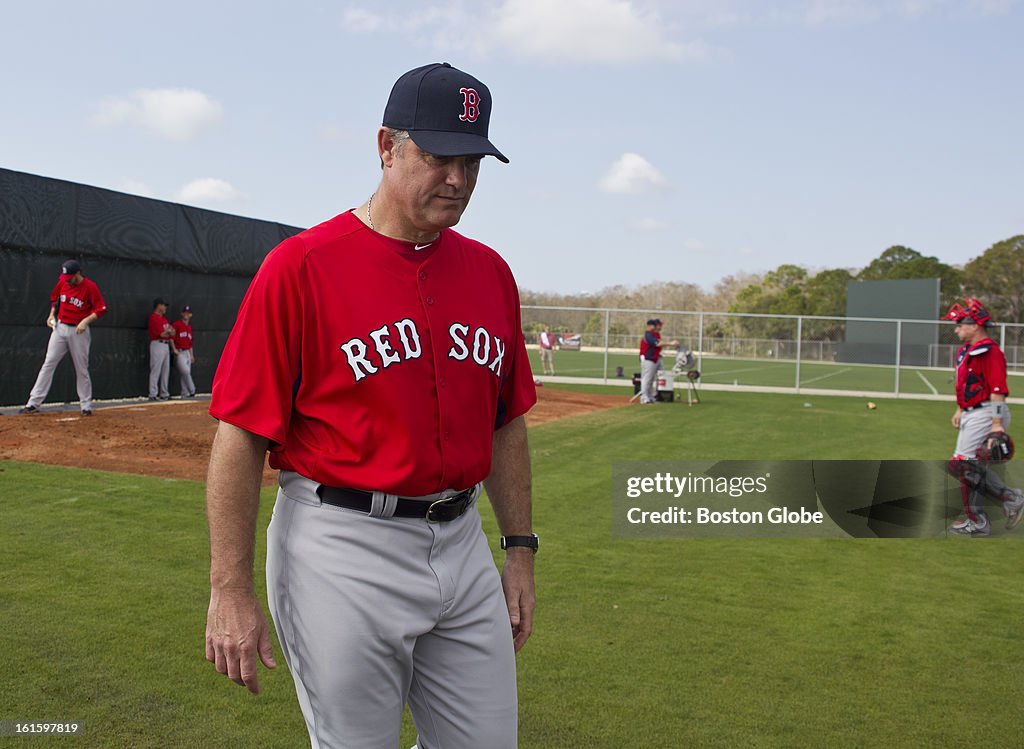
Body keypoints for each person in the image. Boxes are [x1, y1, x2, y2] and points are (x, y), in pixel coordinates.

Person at [204, 62, 538, 749]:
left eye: (472, 158)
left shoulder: (490, 273)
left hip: (461, 538)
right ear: (386, 146)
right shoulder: (301, 267)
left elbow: (507, 422)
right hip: (343, 547)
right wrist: (229, 588)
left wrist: (520, 551)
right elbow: (239, 436)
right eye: (439, 155)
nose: (458, 177)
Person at [943, 297, 1024, 536]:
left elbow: (998, 390)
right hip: (973, 412)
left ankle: (980, 519)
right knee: (968, 467)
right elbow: (967, 384)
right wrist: (960, 408)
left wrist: (997, 425)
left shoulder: (990, 353)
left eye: (960, 325)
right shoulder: (966, 351)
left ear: (975, 326)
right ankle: (1009, 501)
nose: (956, 329)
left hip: (987, 413)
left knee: (962, 465)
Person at [19, 259, 107, 416]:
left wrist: (85, 321)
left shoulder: (90, 287)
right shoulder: (63, 283)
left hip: (78, 331)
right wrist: (51, 315)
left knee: (81, 368)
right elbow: (55, 300)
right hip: (60, 328)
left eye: (70, 277)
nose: (67, 281)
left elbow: (100, 309)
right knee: (48, 363)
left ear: (78, 273)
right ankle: (33, 402)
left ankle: (85, 405)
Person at [638, 318, 676, 404]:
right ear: (652, 326)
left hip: (656, 358)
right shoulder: (648, 335)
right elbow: (658, 343)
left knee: (655, 378)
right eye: (658, 325)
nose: (660, 327)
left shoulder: (656, 334)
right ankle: (644, 397)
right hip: (648, 359)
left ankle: (651, 396)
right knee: (647, 378)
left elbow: (658, 345)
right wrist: (671, 344)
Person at [148, 297, 175, 400]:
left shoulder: (164, 319)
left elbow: (172, 332)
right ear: (158, 306)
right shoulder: (153, 318)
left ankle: (164, 393)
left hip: (165, 345)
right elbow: (162, 334)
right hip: (157, 344)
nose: (165, 308)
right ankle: (153, 393)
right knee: (156, 369)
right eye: (164, 305)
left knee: (165, 370)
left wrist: (169, 332)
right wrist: (168, 332)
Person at [172, 305, 196, 398]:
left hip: (187, 352)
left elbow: (190, 344)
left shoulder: (189, 328)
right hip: (180, 351)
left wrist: (192, 355)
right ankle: (192, 389)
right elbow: (172, 338)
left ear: (191, 315)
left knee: (185, 374)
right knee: (185, 371)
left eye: (188, 313)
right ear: (182, 314)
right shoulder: (177, 324)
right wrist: (174, 349)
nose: (186, 314)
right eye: (185, 312)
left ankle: (184, 393)